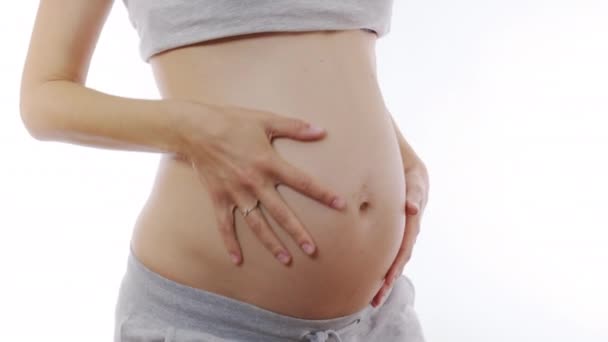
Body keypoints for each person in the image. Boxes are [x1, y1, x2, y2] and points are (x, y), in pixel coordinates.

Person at [20, 0, 430, 341]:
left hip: (376, 320)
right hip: (215, 322)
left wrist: (402, 155)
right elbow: (43, 98)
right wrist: (192, 128)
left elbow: (331, 51)